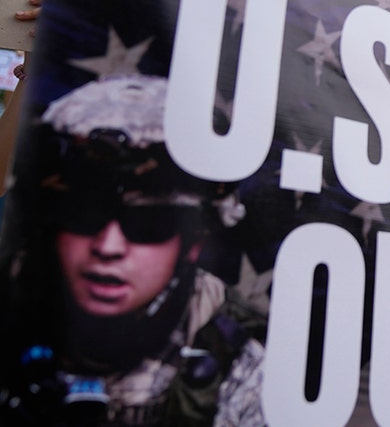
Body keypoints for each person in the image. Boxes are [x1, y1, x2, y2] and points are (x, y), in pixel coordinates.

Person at [0, 75, 263, 425]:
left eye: (148, 225)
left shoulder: (238, 356)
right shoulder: (12, 288)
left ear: (193, 243)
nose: (108, 247)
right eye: (83, 216)